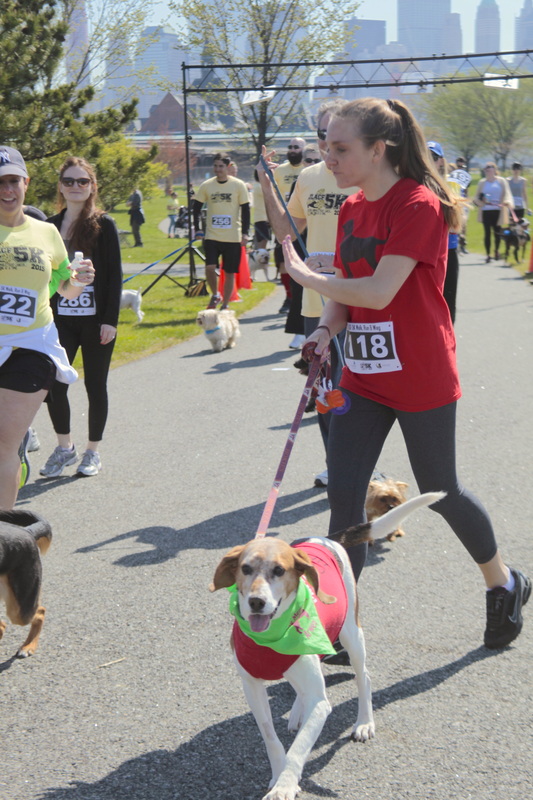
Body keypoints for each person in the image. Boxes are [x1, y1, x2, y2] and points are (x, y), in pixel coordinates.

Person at [281, 98, 530, 650]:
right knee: (345, 495)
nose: (328, 157)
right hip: (364, 376)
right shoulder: (351, 207)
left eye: (340, 147)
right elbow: (348, 294)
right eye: (324, 145)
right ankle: (338, 626)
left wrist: (304, 275)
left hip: (420, 373)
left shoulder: (418, 204)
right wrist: (323, 330)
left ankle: (504, 583)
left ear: (378, 149)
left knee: (441, 490)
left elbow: (377, 291)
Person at [257, 99, 359, 487]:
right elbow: (287, 231)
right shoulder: (309, 177)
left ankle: (361, 465)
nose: (326, 142)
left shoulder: (368, 176)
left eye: (336, 135)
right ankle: (337, 465)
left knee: (361, 388)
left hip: (362, 299)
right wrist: (266, 184)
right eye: (321, 134)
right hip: (317, 301)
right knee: (325, 388)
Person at [0, 145, 95, 509]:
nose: (7, 190)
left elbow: (64, 288)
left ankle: (4, 533)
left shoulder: (45, 232)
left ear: (26, 183)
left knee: (2, 444)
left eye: (13, 181)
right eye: (0, 183)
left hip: (31, 346)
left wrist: (79, 280)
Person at [40, 156, 123, 478]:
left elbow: (114, 276)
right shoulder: (49, 226)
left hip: (96, 321)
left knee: (95, 385)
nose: (76, 186)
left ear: (92, 187)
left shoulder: (104, 225)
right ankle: (65, 448)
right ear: (61, 187)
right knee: (54, 384)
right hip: (59, 320)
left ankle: (92, 452)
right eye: (69, 181)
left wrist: (110, 320)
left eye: (82, 181)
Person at [192, 152, 250, 310]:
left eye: (221, 166)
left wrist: (245, 233)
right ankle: (215, 294)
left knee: (229, 272)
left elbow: (245, 210)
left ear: (228, 167)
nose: (217, 169)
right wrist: (198, 229)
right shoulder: (207, 185)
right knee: (210, 268)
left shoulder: (238, 185)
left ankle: (225, 305)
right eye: (215, 166)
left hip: (232, 237)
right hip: (212, 236)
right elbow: (196, 209)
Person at [427, 141, 461, 324]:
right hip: (423, 253)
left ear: (441, 161)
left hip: (448, 249)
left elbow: (457, 224)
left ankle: (448, 335)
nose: (429, 160)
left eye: (433, 156)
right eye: (425, 155)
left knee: (448, 300)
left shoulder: (451, 185)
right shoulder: (414, 183)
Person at [272, 137, 307, 314]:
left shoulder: (308, 169)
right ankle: (289, 297)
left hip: (305, 220)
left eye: (296, 147)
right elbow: (273, 196)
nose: (292, 150)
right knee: (283, 261)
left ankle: (304, 297)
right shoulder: (279, 171)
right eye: (290, 147)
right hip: (286, 221)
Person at [474, 163, 514, 263]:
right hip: (486, 210)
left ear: (494, 170)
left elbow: (507, 194)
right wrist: (481, 200)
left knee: (497, 232)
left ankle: (496, 250)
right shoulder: (482, 182)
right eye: (486, 168)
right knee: (487, 233)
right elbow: (476, 197)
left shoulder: (501, 181)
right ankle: (488, 254)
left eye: (490, 168)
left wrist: (507, 202)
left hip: (498, 210)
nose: (488, 170)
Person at [449, 156, 471, 254]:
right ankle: (455, 244)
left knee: (463, 225)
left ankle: (462, 244)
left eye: (462, 166)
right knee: (455, 224)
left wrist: (467, 201)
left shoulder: (464, 176)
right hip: (454, 202)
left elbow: (466, 190)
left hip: (462, 202)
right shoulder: (451, 177)